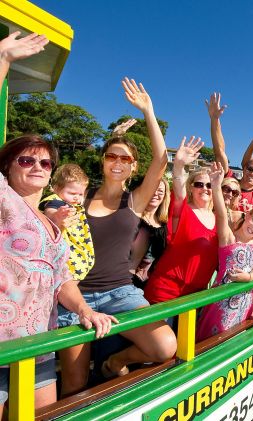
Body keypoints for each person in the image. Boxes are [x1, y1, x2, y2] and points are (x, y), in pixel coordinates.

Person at [0, 31, 116, 417]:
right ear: (7, 169)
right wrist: (3, 60)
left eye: (44, 162)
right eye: (26, 160)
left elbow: (62, 277)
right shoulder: (5, 202)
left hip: (39, 346)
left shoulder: (53, 224)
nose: (36, 166)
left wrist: (84, 310)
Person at [57, 78, 177, 397]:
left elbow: (162, 160)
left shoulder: (135, 201)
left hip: (120, 292)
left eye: (125, 159)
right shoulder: (79, 198)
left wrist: (149, 111)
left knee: (165, 345)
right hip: (75, 297)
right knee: (73, 383)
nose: (118, 162)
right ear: (103, 160)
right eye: (113, 156)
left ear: (134, 166)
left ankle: (114, 362)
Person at [196, 162, 253, 341]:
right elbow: (222, 213)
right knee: (213, 339)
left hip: (245, 299)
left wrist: (250, 277)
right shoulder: (228, 238)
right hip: (221, 302)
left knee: (234, 337)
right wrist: (215, 185)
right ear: (247, 215)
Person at [144, 136, 219, 304]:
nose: (205, 189)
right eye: (199, 184)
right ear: (191, 188)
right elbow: (178, 194)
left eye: (209, 185)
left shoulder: (219, 219)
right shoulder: (184, 210)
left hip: (196, 296)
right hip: (166, 291)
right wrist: (178, 165)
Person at [205, 93, 253, 214]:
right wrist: (215, 119)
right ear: (244, 168)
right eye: (250, 169)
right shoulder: (230, 182)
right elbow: (219, 151)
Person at [40, 164, 95, 281]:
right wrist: (56, 216)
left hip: (77, 254)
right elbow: (50, 212)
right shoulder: (56, 202)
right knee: (68, 280)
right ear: (56, 189)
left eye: (80, 194)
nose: (77, 198)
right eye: (72, 193)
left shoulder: (74, 205)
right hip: (67, 255)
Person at [130, 178, 170, 287]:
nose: (155, 194)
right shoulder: (132, 217)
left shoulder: (164, 225)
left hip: (148, 284)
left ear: (165, 196)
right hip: (124, 280)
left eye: (160, 191)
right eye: (152, 189)